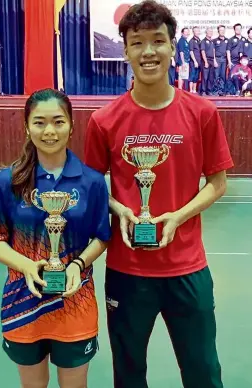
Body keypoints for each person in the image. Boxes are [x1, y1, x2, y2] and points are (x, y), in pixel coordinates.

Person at [84, 1, 233, 388]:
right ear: (126, 50)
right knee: (129, 374)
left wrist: (177, 217)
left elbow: (218, 183)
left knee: (203, 371)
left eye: (158, 41)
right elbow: (92, 186)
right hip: (127, 272)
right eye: (137, 43)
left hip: (188, 268)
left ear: (171, 45)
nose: (148, 51)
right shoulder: (104, 120)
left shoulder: (202, 112)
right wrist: (123, 211)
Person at [0, 88, 111, 388]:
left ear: (72, 125)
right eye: (39, 122)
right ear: (27, 127)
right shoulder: (8, 181)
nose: (49, 131)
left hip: (75, 305)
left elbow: (101, 237)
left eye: (58, 121)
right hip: (23, 304)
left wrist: (77, 265)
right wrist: (26, 265)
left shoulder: (92, 182)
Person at [201, 27, 215, 95]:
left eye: (211, 32)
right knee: (205, 77)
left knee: (210, 77)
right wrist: (206, 62)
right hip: (206, 60)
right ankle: (203, 91)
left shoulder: (212, 41)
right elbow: (203, 51)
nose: (210, 33)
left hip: (212, 60)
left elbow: (213, 51)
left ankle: (208, 91)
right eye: (209, 31)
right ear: (206, 33)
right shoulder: (203, 41)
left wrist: (214, 60)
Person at [188, 26, 201, 93]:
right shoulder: (191, 41)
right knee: (192, 75)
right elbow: (191, 52)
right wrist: (195, 61)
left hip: (199, 62)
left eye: (198, 31)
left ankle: (194, 89)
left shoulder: (199, 40)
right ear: (193, 32)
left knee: (196, 76)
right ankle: (190, 90)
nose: (197, 32)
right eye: (196, 31)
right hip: (194, 62)